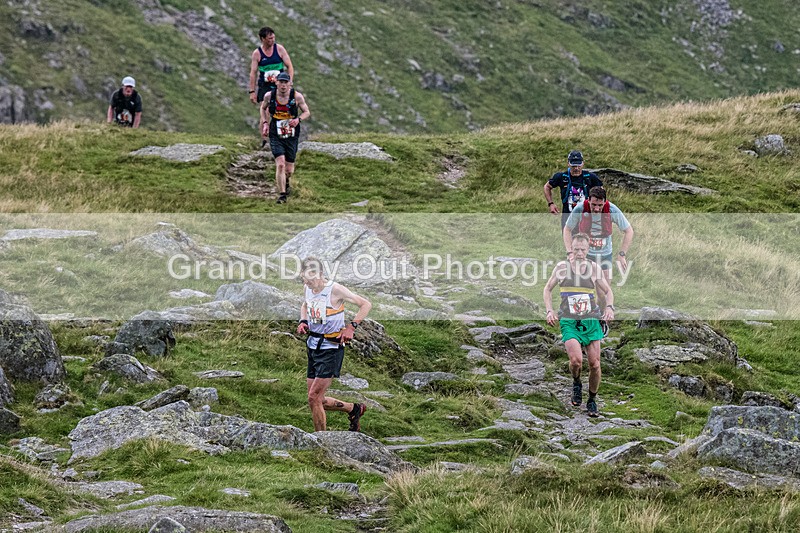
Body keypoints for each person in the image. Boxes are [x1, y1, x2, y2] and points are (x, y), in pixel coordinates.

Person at [296, 257, 372, 432]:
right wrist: (303, 321)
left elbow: (366, 304)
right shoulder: (307, 288)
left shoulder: (335, 289)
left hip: (331, 348)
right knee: (317, 400)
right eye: (304, 279)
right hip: (313, 346)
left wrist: (351, 328)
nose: (307, 283)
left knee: (313, 397)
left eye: (310, 279)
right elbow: (305, 305)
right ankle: (354, 409)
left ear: (320, 274)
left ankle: (321, 440)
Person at [543, 233, 615, 417]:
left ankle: (592, 399)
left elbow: (608, 291)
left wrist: (609, 307)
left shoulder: (594, 268)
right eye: (576, 249)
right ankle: (576, 382)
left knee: (595, 364)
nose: (579, 253)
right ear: (571, 249)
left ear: (588, 249)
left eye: (583, 249)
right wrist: (549, 311)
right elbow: (547, 289)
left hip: (590, 320)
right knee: (576, 361)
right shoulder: (562, 268)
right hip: (569, 320)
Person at [260, 72, 310, 204]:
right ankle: (282, 195)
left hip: (291, 134)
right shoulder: (269, 96)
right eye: (281, 82)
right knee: (281, 164)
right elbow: (263, 108)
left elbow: (307, 112)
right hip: (275, 132)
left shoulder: (297, 96)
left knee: (289, 170)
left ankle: (286, 181)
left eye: (285, 82)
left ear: (290, 84)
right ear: (276, 82)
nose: (283, 85)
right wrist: (265, 123)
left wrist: (298, 119)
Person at [248, 27, 294, 145]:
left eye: (273, 38)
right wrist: (252, 91)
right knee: (266, 110)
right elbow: (253, 73)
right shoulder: (257, 53)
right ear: (262, 39)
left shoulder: (279, 49)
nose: (272, 40)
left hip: (280, 85)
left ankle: (283, 139)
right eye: (269, 39)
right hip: (265, 86)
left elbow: (289, 66)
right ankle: (265, 140)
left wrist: (290, 82)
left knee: (283, 110)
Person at [544, 150, 603, 228]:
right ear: (568, 164)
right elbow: (547, 187)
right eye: (573, 166)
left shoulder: (590, 177)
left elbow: (601, 192)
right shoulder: (562, 177)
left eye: (579, 165)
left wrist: (598, 208)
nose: (576, 168)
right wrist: (551, 204)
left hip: (587, 218)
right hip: (567, 218)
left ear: (583, 163)